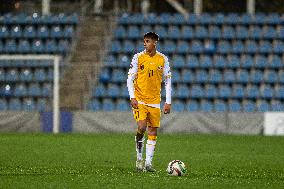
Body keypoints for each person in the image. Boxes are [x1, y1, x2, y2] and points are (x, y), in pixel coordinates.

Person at [127, 32, 172, 172]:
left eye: (147, 41)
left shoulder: (163, 59)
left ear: (154, 43)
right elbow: (130, 79)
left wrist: (168, 101)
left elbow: (168, 81)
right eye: (144, 41)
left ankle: (148, 163)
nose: (145, 43)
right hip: (140, 99)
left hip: (155, 101)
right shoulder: (138, 57)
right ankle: (139, 159)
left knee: (153, 131)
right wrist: (132, 96)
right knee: (141, 127)